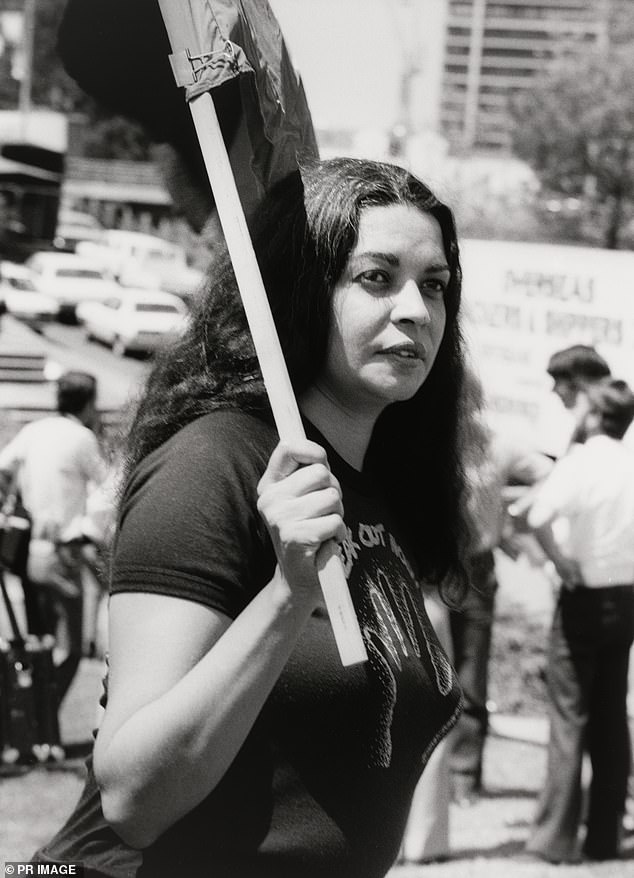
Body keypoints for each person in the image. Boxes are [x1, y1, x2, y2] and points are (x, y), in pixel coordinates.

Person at [33, 157, 472, 878]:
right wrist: (287, 593)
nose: (415, 311)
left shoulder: (378, 487)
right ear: (302, 291)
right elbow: (133, 798)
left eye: (435, 285)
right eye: (376, 278)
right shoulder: (214, 465)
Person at [521, 377, 634, 863]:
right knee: (612, 716)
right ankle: (605, 836)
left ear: (593, 416)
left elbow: (536, 516)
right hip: (626, 597)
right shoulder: (631, 463)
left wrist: (561, 562)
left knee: (570, 716)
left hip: (583, 594)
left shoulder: (581, 462)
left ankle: (556, 839)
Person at [449, 407, 553, 806]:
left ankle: (464, 777)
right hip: (432, 565)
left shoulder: (501, 446)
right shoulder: (431, 436)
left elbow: (549, 474)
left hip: (476, 567)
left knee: (472, 675)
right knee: (428, 669)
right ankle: (429, 780)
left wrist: (511, 516)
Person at [0, 370, 108, 704]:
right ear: (89, 403)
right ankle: (40, 714)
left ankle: (32, 720)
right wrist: (89, 531)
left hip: (32, 551)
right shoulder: (81, 438)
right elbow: (109, 487)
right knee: (71, 649)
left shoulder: (35, 431)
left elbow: (3, 468)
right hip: (64, 552)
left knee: (42, 643)